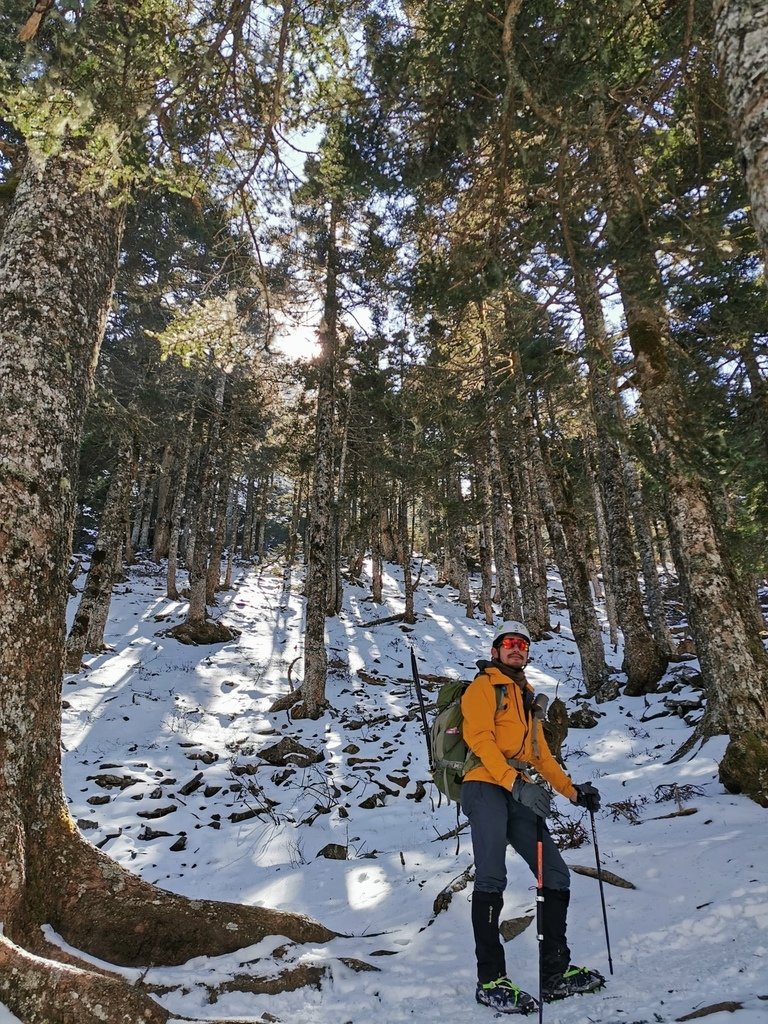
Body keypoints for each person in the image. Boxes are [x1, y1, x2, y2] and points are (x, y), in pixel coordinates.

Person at [461, 620, 604, 1015]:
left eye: (522, 644)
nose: (516, 648)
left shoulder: (525, 698)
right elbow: (480, 740)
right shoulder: (482, 688)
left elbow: (541, 756)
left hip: (517, 788)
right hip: (485, 784)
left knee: (555, 873)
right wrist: (512, 782)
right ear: (495, 651)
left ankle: (554, 975)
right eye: (508, 643)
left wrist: (574, 792)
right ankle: (490, 980)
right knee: (491, 876)